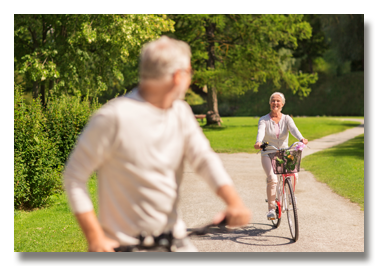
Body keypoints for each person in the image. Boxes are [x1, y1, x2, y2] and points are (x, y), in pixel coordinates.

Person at [64, 36, 251, 252]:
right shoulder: (113, 117)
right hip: (125, 246)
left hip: (174, 240)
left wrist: (233, 201)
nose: (191, 78)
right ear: (177, 76)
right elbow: (74, 177)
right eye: (189, 72)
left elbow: (203, 158)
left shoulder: (180, 112)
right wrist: (95, 237)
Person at [254, 92, 308, 220]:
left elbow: (294, 129)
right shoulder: (264, 119)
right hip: (268, 152)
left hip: (284, 152)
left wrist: (301, 138)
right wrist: (258, 142)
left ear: (282, 104)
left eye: (278, 101)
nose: (275, 103)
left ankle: (290, 195)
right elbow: (261, 131)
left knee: (294, 174)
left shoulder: (287, 119)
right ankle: (271, 209)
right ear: (270, 103)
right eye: (273, 101)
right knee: (273, 179)